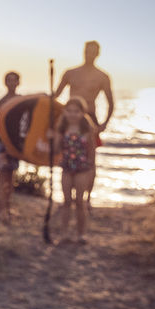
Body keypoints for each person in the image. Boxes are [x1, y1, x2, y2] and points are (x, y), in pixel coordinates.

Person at [54, 40, 115, 209]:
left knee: (91, 159)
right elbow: (55, 96)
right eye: (88, 50)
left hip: (90, 118)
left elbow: (111, 103)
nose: (90, 54)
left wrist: (104, 124)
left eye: (93, 51)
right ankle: (67, 198)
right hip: (69, 118)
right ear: (83, 51)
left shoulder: (102, 76)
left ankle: (87, 199)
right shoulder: (70, 73)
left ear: (98, 54)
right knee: (66, 153)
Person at [49, 96, 98, 243]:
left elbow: (92, 151)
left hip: (82, 169)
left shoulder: (87, 129)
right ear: (64, 112)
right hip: (66, 168)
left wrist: (92, 170)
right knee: (66, 201)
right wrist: (53, 137)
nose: (72, 114)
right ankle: (64, 233)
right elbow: (56, 150)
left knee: (79, 202)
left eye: (76, 111)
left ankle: (81, 234)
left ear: (83, 112)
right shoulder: (62, 129)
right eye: (69, 111)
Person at [0, 71, 21, 222]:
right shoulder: (3, 101)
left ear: (18, 82)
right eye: (9, 80)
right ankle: (0, 209)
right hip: (2, 140)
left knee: (10, 175)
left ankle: (7, 208)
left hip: (14, 141)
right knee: (1, 173)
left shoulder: (21, 99)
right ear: (5, 82)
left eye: (14, 80)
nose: (11, 83)